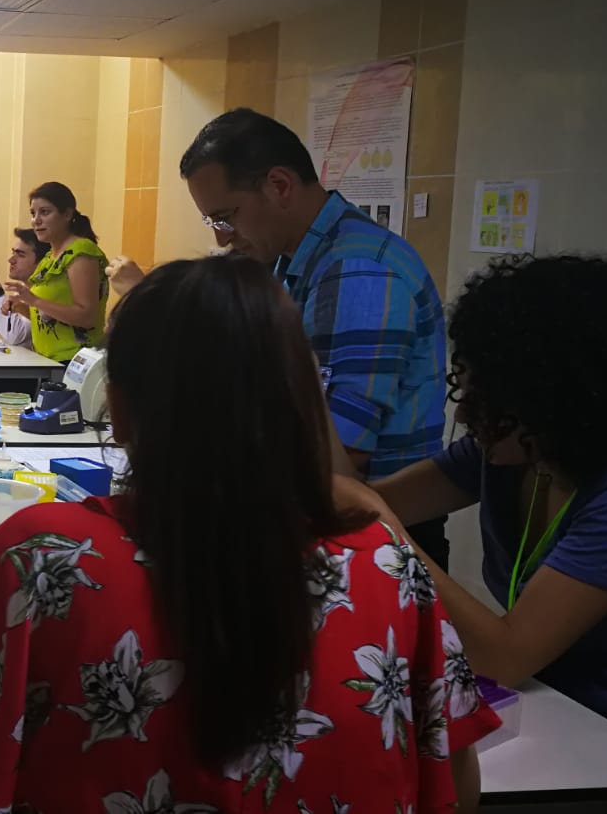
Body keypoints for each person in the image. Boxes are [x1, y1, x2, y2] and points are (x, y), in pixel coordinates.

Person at [0, 254, 496, 810]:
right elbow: (456, 786)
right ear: (302, 403)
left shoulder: (46, 557)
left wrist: (13, 751)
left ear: (118, 410)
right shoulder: (388, 564)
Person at [361, 255, 607, 757]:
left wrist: (384, 526)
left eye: (483, 400)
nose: (463, 415)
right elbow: (367, 502)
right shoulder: (509, 453)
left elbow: (506, 656)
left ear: (553, 399)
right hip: (545, 705)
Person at [180, 108, 452, 568]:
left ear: (280, 185)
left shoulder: (358, 270)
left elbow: (342, 452)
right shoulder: (296, 260)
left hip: (375, 533)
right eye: (214, 224)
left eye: (226, 217)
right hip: (323, 511)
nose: (224, 239)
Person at [0, 182, 108, 364]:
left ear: (67, 214)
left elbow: (86, 317)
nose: (36, 221)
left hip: (75, 360)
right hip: (48, 361)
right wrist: (20, 306)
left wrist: (34, 300)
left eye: (45, 212)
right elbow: (50, 318)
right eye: (33, 214)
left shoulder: (81, 251)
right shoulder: (50, 257)